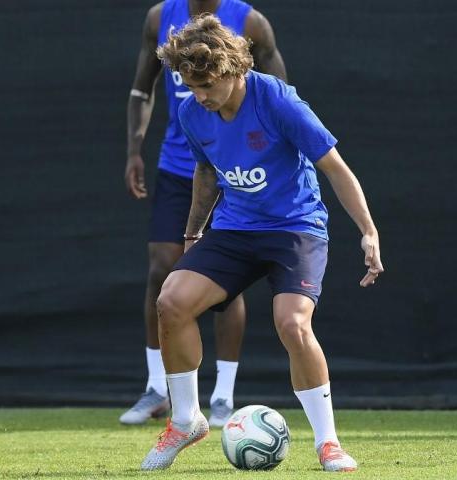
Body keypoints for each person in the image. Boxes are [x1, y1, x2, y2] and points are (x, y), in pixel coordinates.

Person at [140, 14, 383, 472]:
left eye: (207, 85)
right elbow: (208, 171)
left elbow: (335, 167)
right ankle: (186, 420)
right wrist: (193, 236)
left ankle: (328, 443)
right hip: (235, 229)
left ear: (233, 69)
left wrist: (368, 231)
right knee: (171, 299)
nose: (200, 97)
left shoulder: (278, 100)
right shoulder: (195, 112)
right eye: (192, 87)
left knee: (292, 325)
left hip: (296, 227)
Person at [121, 0, 287, 428]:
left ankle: (223, 396)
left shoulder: (250, 22)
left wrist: (263, 159)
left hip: (231, 168)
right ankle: (158, 388)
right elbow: (143, 88)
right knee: (162, 268)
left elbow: (279, 96)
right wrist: (134, 149)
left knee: (223, 283)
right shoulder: (159, 17)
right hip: (179, 167)